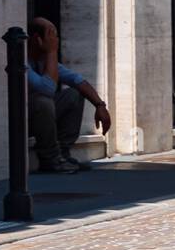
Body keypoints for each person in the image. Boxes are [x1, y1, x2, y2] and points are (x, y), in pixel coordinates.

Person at [26, 18, 112, 173]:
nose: (55, 41)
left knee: (74, 94)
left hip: (40, 120)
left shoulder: (44, 61)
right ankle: (50, 159)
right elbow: (47, 89)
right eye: (51, 36)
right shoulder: (23, 62)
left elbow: (77, 80)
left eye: (56, 37)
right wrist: (52, 51)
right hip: (19, 122)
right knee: (43, 101)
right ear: (36, 39)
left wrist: (100, 105)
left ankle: (63, 154)